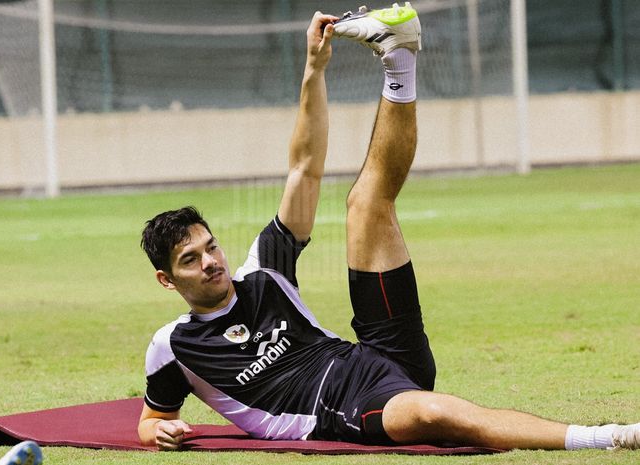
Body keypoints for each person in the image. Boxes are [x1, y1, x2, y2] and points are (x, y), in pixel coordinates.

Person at [138, 3, 639, 452]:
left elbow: (304, 168)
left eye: (210, 247)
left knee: (367, 203)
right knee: (433, 412)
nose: (210, 262)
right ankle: (608, 436)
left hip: (377, 354)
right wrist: (159, 430)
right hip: (340, 408)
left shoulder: (262, 271)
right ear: (167, 279)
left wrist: (315, 68)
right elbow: (152, 418)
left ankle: (399, 59)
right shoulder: (172, 347)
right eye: (190, 259)